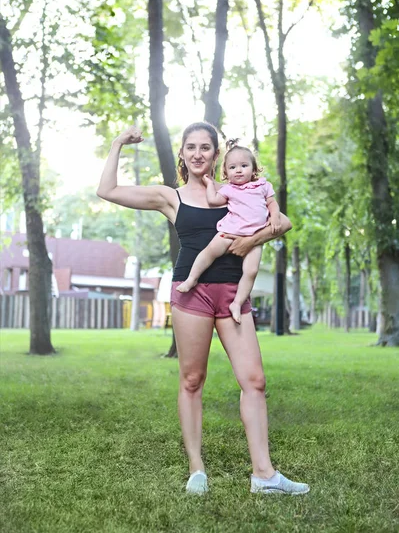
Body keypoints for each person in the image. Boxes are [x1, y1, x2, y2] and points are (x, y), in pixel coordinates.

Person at [97, 121, 309, 496]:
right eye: (190, 147)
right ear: (182, 153)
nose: (197, 153)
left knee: (254, 381)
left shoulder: (238, 190)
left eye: (206, 147)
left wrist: (251, 241)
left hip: (233, 295)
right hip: (191, 295)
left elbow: (284, 222)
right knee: (192, 380)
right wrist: (117, 143)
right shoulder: (170, 197)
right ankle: (197, 469)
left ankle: (264, 475)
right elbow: (107, 190)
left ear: (217, 155)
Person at [176, 139, 281, 325]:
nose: (238, 170)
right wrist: (209, 184)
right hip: (230, 231)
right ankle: (192, 278)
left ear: (254, 169)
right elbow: (213, 201)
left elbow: (272, 203)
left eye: (244, 165)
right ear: (226, 173)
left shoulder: (263, 186)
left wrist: (274, 217)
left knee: (251, 271)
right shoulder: (229, 190)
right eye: (233, 167)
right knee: (209, 252)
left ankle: (237, 303)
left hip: (254, 237)